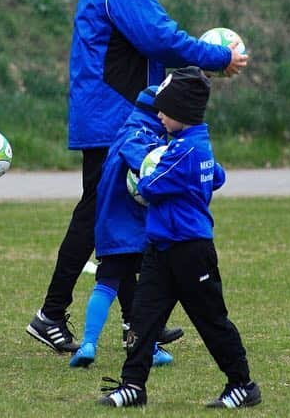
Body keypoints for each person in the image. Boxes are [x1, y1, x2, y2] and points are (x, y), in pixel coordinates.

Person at [27, 0, 248, 353]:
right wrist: (213, 56)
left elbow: (153, 46)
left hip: (116, 113)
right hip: (112, 117)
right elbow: (159, 38)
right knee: (97, 213)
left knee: (125, 211)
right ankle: (51, 313)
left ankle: (136, 320)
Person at [98, 67, 261, 409]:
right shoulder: (192, 145)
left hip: (190, 250)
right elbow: (218, 177)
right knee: (144, 318)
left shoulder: (185, 153)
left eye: (164, 109)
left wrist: (145, 163)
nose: (158, 114)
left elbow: (150, 186)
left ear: (183, 113)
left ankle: (242, 384)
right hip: (161, 247)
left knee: (211, 319)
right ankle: (132, 385)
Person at [68, 86, 172, 369]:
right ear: (155, 112)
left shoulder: (127, 129)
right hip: (130, 226)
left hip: (110, 226)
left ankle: (89, 343)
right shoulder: (139, 136)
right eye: (166, 112)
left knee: (107, 284)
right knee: (149, 289)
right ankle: (147, 347)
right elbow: (143, 161)